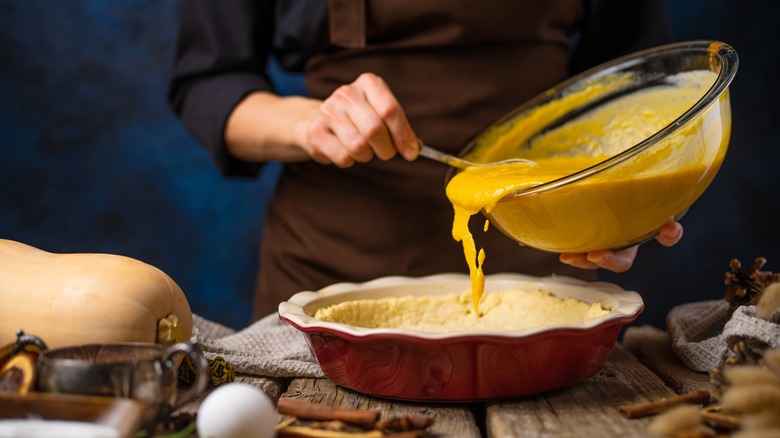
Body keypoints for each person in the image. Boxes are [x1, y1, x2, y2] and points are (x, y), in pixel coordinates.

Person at [169, 0, 682, 320]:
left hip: (541, 270)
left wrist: (620, 203)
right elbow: (207, 82)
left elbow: (639, 82)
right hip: (326, 278)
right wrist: (311, 124)